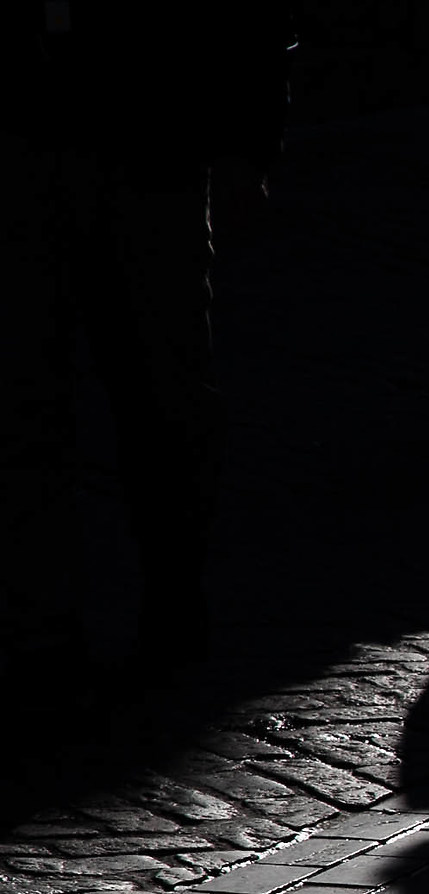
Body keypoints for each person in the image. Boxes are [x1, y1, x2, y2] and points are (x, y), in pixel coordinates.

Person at [0, 0, 293, 676]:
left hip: (146, 146)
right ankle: (61, 617)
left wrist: (250, 143)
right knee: (48, 402)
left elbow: (256, 14)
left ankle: (160, 601)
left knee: (162, 397)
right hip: (53, 138)